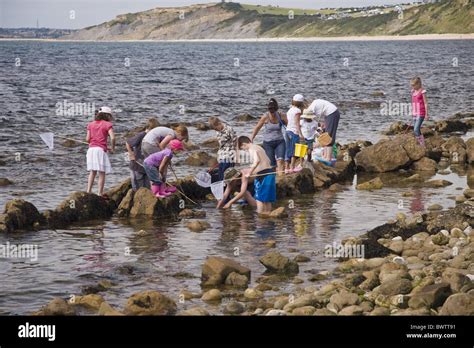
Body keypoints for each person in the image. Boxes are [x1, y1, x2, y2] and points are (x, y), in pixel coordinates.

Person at [228, 136, 275, 214]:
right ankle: (268, 215)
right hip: (270, 173)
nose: (244, 150)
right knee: (267, 199)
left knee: (259, 198)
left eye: (243, 148)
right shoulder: (259, 147)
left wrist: (250, 172)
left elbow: (257, 161)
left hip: (262, 175)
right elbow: (268, 160)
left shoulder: (251, 148)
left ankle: (259, 217)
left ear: (244, 144)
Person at [250, 98, 287, 175]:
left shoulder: (281, 116)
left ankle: (280, 178)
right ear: (268, 109)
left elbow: (290, 126)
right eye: (271, 110)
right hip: (268, 143)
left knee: (280, 161)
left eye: (274, 110)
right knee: (272, 164)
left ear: (276, 109)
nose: (272, 112)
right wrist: (251, 138)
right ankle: (273, 181)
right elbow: (257, 128)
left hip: (280, 141)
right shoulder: (265, 117)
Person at [86, 106, 115, 197]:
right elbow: (113, 138)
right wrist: (112, 148)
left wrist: (92, 141)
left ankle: (88, 191)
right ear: (107, 116)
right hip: (100, 151)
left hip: (91, 150)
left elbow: (87, 139)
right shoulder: (107, 125)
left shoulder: (90, 124)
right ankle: (100, 193)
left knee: (92, 171)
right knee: (102, 173)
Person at [125, 118, 159, 191]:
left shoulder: (154, 138)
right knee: (137, 187)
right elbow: (128, 143)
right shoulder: (141, 135)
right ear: (150, 129)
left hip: (146, 167)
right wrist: (131, 154)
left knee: (147, 188)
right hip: (136, 165)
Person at [209, 117, 237, 181]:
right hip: (221, 155)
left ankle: (228, 187)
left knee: (227, 173)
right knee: (220, 173)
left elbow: (235, 141)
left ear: (219, 123)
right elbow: (220, 144)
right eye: (215, 130)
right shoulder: (217, 131)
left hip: (229, 155)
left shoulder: (229, 129)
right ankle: (222, 187)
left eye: (216, 128)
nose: (216, 130)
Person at [285, 94, 305, 172]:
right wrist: (300, 134)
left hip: (287, 131)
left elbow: (290, 121)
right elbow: (297, 123)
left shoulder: (290, 110)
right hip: (294, 132)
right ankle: (292, 168)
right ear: (301, 103)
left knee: (288, 149)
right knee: (294, 151)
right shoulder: (298, 111)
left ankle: (286, 168)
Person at [411, 77, 428, 147]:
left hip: (421, 113)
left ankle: (422, 144)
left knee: (416, 129)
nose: (412, 87)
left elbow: (425, 103)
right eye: (412, 85)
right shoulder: (413, 92)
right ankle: (421, 143)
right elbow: (413, 103)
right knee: (416, 130)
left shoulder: (422, 91)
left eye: (413, 85)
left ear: (418, 84)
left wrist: (426, 114)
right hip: (415, 113)